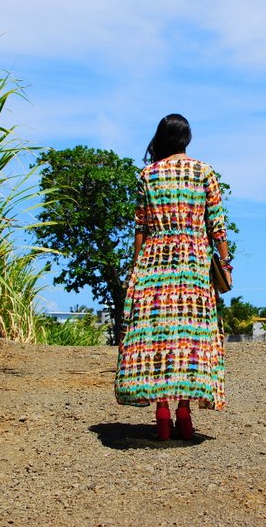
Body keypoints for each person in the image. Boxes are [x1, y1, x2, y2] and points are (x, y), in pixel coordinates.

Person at [114, 113, 232, 441]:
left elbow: (140, 228)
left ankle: (162, 414)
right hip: (193, 263)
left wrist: (136, 268)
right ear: (187, 139)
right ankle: (184, 412)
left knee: (159, 338)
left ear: (162, 138)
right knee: (189, 339)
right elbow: (217, 224)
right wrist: (224, 261)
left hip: (154, 262)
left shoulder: (147, 176)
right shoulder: (204, 172)